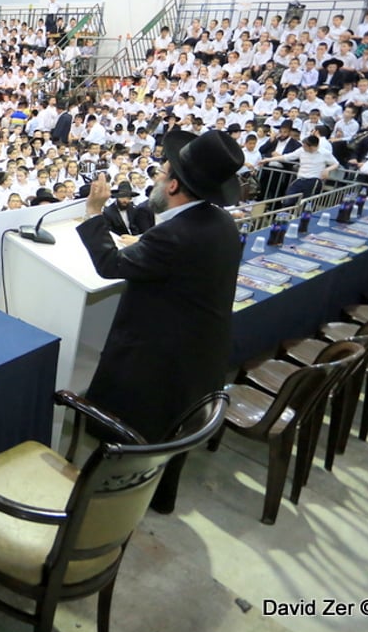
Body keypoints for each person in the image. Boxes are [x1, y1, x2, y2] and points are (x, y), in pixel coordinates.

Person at [76, 129, 243, 454]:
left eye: (162, 172)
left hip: (158, 362)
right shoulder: (220, 222)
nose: (156, 177)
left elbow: (111, 265)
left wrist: (94, 211)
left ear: (174, 185)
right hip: (199, 356)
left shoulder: (174, 236)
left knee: (134, 438)